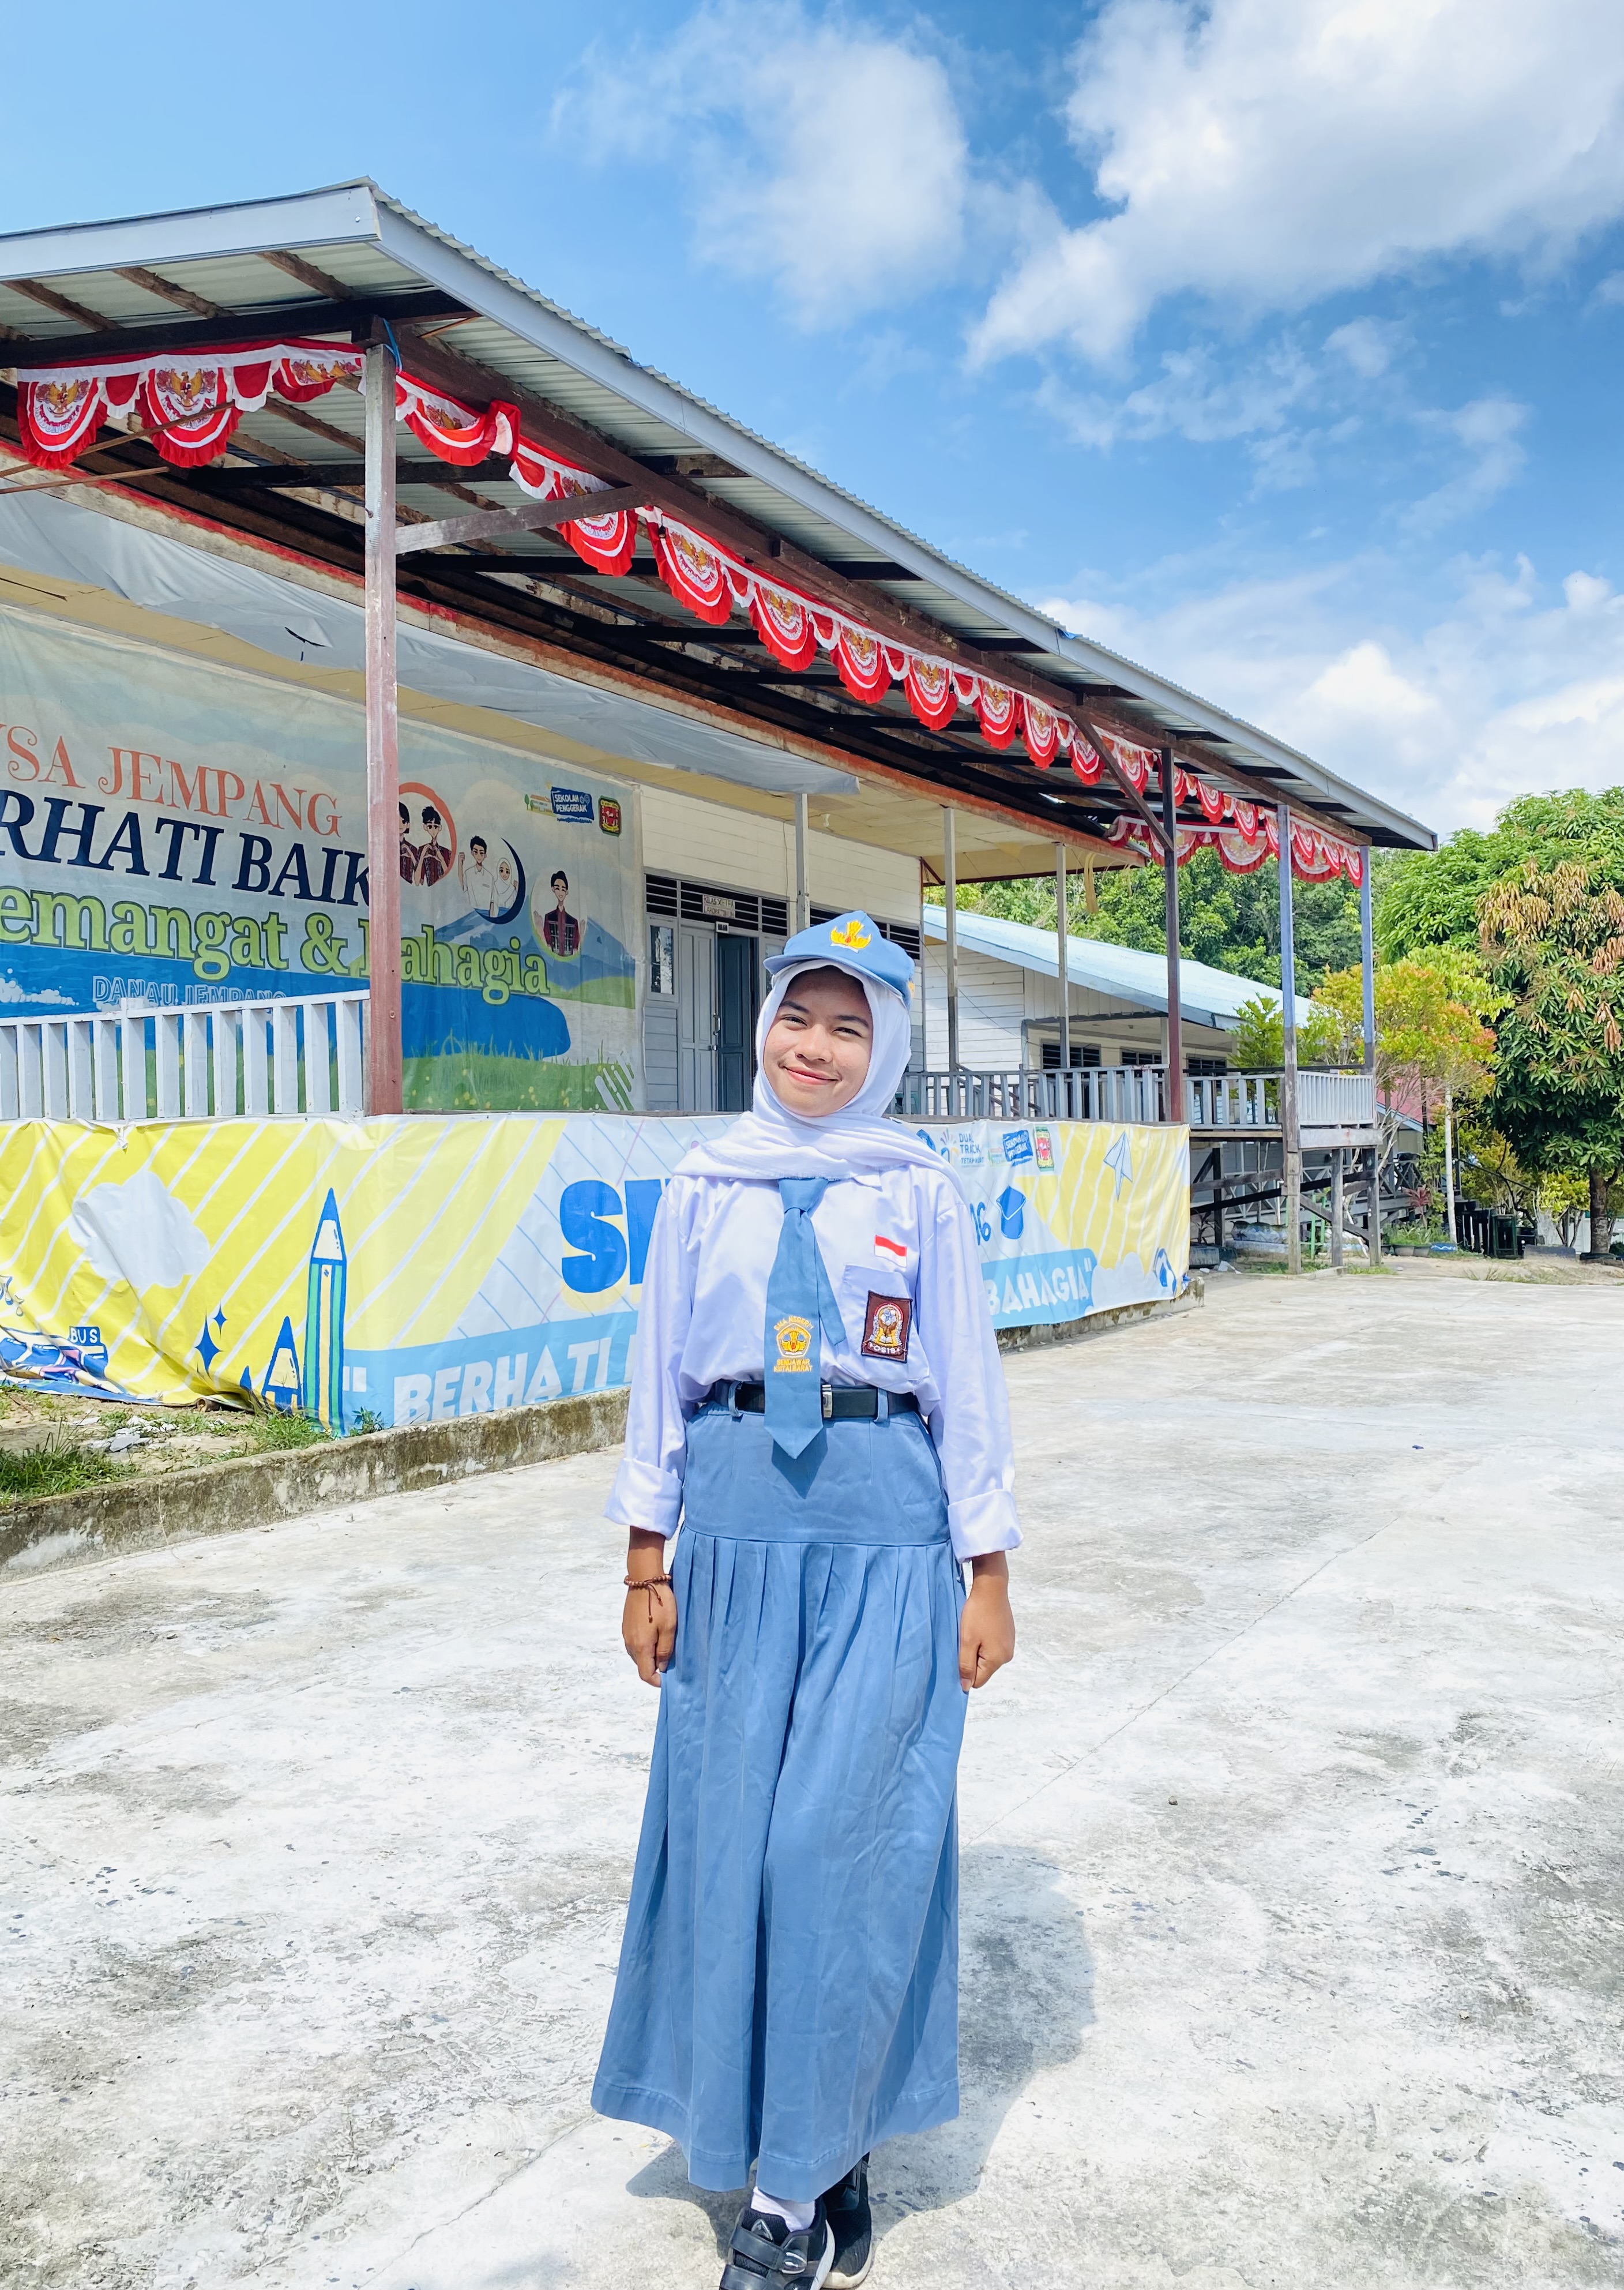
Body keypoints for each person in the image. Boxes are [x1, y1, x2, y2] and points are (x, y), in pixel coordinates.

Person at [593, 911, 1019, 2290]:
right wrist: (645, 1562)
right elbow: (659, 1378)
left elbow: (967, 1385)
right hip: (731, 1532)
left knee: (833, 1852)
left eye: (848, 1026)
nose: (815, 1048)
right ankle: (809, 2140)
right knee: (731, 1851)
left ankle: (787, 2200)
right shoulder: (705, 1183)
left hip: (884, 1535)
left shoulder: (918, 1188)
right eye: (797, 1017)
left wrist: (989, 1571)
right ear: (764, 1025)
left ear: (883, 1047)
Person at [543, 868, 581, 956]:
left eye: (563, 889)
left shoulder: (573, 921)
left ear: (567, 892)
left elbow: (576, 948)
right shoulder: (549, 917)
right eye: (557, 888)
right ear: (553, 889)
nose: (560, 892)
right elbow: (547, 944)